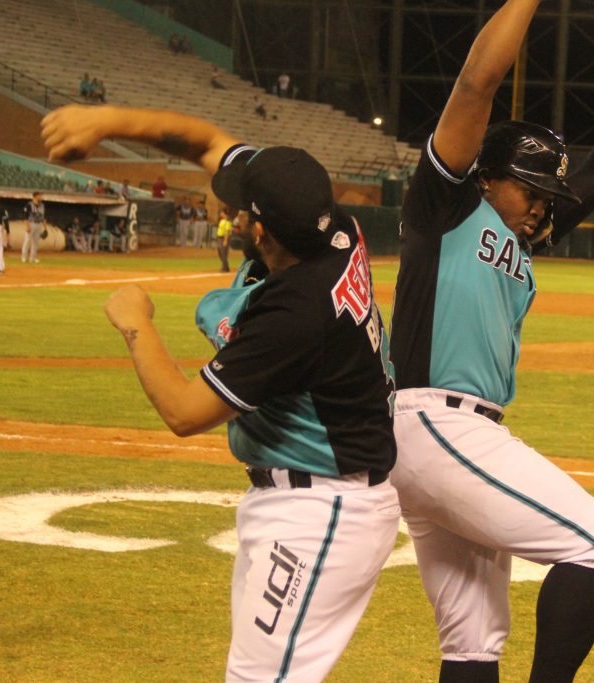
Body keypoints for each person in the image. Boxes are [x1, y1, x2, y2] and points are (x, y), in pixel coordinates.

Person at [41, 102, 400, 683]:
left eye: (238, 209)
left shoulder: (295, 315)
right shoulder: (333, 230)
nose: (226, 208)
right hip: (306, 498)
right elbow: (207, 140)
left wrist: (136, 324)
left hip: (323, 511)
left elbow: (184, 413)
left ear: (260, 231)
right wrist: (105, 121)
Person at [387, 1, 594, 681]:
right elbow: (477, 83)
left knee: (473, 641)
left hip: (447, 436)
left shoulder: (525, 233)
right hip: (434, 425)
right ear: (486, 177)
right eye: (532, 189)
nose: (544, 204)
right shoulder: (445, 206)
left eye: (549, 194)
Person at [22, 191, 45, 263]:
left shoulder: (42, 205)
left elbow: (43, 217)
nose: (41, 197)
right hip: (31, 223)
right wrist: (27, 226)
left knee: (36, 242)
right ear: (35, 196)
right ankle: (24, 257)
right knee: (27, 241)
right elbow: (25, 216)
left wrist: (45, 228)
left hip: (39, 224)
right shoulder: (29, 205)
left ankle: (32, 258)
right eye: (40, 196)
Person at [216, 207, 233, 272]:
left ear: (224, 213)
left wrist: (225, 240)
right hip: (219, 238)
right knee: (220, 252)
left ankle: (224, 268)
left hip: (224, 238)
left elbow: (227, 231)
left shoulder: (228, 221)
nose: (221, 214)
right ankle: (226, 266)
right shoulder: (222, 220)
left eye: (221, 212)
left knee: (224, 253)